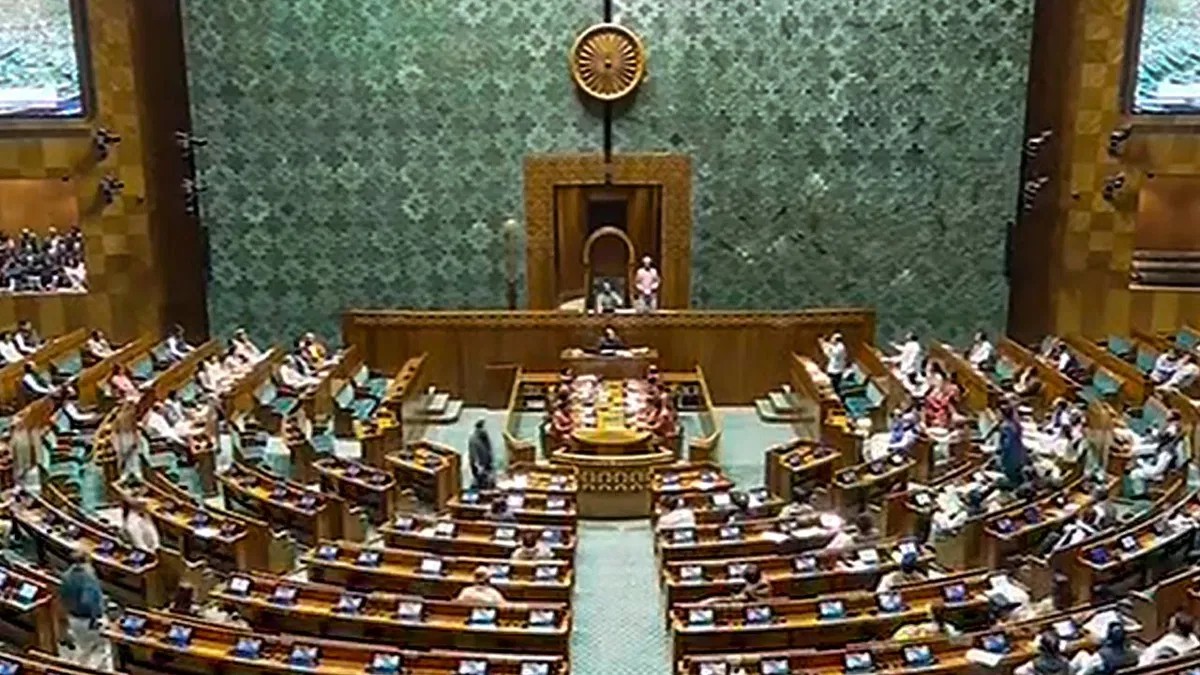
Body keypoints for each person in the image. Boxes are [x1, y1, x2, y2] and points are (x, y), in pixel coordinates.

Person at [58, 551, 107, 669]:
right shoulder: (88, 578)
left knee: (83, 649)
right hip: (88, 619)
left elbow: (62, 598)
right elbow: (88, 601)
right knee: (97, 651)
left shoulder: (66, 575)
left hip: (73, 617)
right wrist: (94, 619)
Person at [996, 403, 1028, 488]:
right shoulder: (1015, 423)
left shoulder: (1005, 426)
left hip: (1010, 453)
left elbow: (1007, 443)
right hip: (1019, 452)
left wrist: (1001, 453)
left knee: (1010, 472)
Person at [467, 419, 495, 490]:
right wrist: (478, 465)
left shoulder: (483, 435)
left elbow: (489, 448)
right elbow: (474, 453)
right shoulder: (474, 439)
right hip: (479, 464)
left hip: (484, 462)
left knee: (486, 477)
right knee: (480, 479)